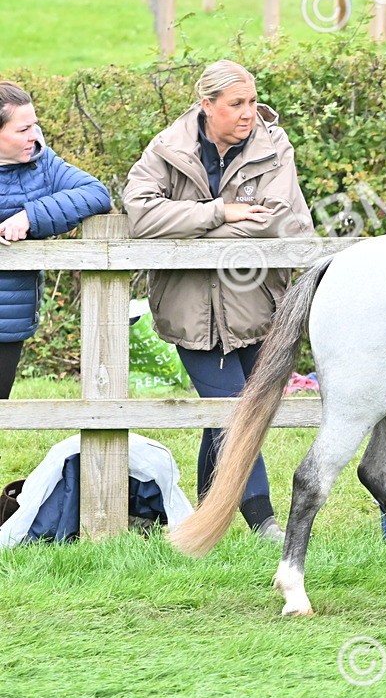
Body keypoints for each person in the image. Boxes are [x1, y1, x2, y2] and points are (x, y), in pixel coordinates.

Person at [123, 60, 314, 542]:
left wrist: (191, 225)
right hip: (190, 308)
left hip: (258, 302)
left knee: (233, 410)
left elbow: (278, 220)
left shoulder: (274, 145)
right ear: (206, 105)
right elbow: (141, 213)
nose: (249, 113)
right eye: (237, 104)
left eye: (251, 102)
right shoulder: (168, 148)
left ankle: (202, 515)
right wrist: (220, 212)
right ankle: (262, 519)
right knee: (233, 408)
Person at [0, 81, 111, 400]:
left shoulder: (43, 164)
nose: (34, 135)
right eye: (23, 129)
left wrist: (31, 216)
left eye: (34, 124)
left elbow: (96, 194)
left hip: (7, 316)